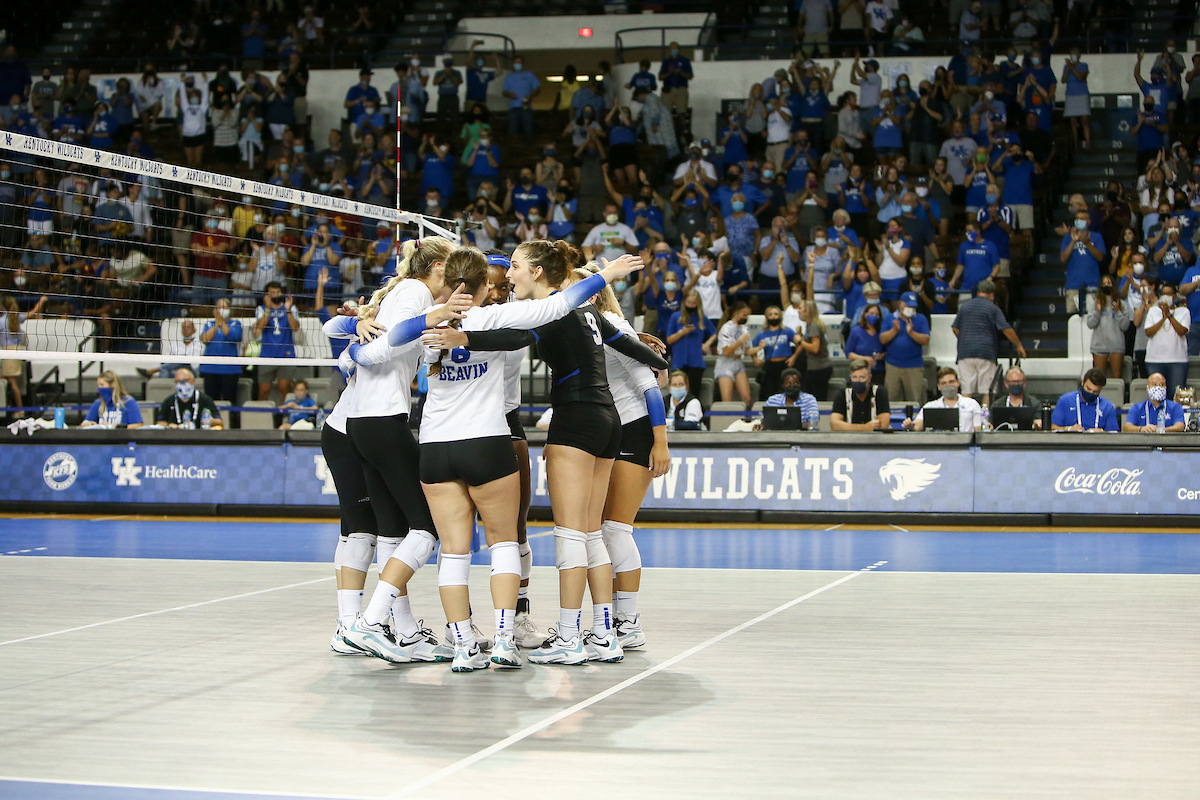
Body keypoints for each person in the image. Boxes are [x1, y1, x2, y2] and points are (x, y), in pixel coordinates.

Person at [493, 241, 665, 665]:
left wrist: (458, 333)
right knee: (592, 533)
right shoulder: (591, 313)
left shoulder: (550, 312)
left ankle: (569, 636)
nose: (509, 276)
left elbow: (504, 335)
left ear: (537, 273)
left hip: (576, 419)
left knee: (571, 534)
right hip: (609, 421)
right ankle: (604, 633)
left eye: (515, 267)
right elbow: (640, 355)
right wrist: (652, 353)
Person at [951, 279, 1026, 406]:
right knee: (988, 390)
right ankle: (985, 419)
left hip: (965, 352)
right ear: (992, 294)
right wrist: (1018, 344)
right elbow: (1005, 328)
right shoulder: (993, 308)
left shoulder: (965, 307)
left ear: (979, 292)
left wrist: (965, 339)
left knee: (967, 390)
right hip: (985, 351)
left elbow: (955, 328)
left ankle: (965, 419)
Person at [252, 282, 300, 403]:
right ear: (267, 295)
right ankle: (263, 418)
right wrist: (268, 309)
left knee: (284, 389)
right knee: (263, 391)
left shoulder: (291, 308)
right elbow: (259, 328)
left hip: (286, 354)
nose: (275, 295)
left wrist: (288, 310)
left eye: (278, 292)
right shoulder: (261, 309)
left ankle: (284, 417)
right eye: (272, 293)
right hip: (267, 354)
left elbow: (295, 327)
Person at [881, 291, 930, 403]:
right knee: (891, 399)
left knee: (915, 399)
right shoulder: (889, 318)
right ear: (900, 304)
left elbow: (926, 340)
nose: (911, 309)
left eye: (913, 306)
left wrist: (911, 332)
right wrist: (895, 330)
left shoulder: (921, 319)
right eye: (909, 306)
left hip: (914, 365)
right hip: (893, 365)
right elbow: (883, 339)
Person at [1144, 284, 1190, 398]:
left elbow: (1182, 331)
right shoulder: (1153, 311)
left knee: (1176, 397)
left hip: (1177, 361)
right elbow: (1149, 332)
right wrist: (1164, 317)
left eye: (1169, 294)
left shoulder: (1184, 311)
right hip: (1155, 360)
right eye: (1163, 294)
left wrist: (1169, 315)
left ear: (1175, 296)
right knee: (1157, 397)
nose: (1166, 296)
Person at [666, 290, 717, 393]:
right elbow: (669, 339)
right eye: (689, 303)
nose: (691, 305)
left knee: (694, 392)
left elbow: (714, 332)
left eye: (693, 303)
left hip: (696, 361)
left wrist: (707, 344)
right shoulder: (675, 317)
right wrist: (681, 333)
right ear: (684, 302)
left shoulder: (702, 319)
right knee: (678, 390)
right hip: (679, 361)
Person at [906, 367, 982, 431]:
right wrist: (911, 425)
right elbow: (918, 425)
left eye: (951, 382)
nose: (948, 385)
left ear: (958, 383)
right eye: (944, 383)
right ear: (939, 386)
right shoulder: (930, 406)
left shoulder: (972, 404)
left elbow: (978, 431)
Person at [199, 299, 243, 410]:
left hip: (230, 369)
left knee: (230, 401)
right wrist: (216, 324)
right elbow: (204, 339)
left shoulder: (236, 324)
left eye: (225, 307)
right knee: (210, 402)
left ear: (230, 310)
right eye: (219, 307)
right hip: (210, 369)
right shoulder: (209, 324)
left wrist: (221, 323)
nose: (221, 310)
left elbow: (234, 337)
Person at [750, 305, 799, 400]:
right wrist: (754, 359)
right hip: (769, 365)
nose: (773, 317)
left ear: (780, 316)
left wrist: (794, 357)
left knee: (786, 393)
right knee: (768, 393)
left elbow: (800, 344)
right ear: (766, 317)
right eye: (770, 314)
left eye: (776, 314)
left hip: (784, 364)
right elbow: (751, 349)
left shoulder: (787, 331)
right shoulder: (761, 333)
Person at [1086, 274, 1130, 380]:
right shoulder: (1095, 303)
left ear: (1113, 286)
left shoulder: (1122, 304)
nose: (1106, 286)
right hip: (1099, 345)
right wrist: (1098, 311)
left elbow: (1125, 326)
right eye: (1104, 284)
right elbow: (1090, 324)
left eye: (1109, 283)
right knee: (1099, 378)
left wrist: (1118, 312)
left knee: (1117, 377)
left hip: (1116, 345)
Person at [1050, 368, 1119, 432]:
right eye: (1088, 389)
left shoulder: (1107, 406)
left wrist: (1101, 432)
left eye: (1095, 392)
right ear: (1083, 382)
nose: (1091, 393)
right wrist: (1069, 429)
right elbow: (1052, 427)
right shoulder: (1065, 400)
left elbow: (1113, 433)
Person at [830, 359, 890, 431]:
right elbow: (834, 425)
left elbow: (884, 425)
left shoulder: (879, 392)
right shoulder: (843, 394)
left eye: (862, 377)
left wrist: (848, 427)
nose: (858, 381)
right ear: (850, 377)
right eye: (854, 377)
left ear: (869, 378)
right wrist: (865, 428)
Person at [715, 301, 753, 410]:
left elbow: (746, 351)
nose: (746, 318)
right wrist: (740, 340)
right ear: (736, 313)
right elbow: (726, 351)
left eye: (747, 315)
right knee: (727, 400)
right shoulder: (726, 328)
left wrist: (760, 347)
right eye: (744, 315)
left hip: (738, 361)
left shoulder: (744, 328)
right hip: (725, 363)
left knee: (747, 397)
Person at [844, 301, 885, 385]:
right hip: (860, 371)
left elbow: (887, 350)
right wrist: (865, 359)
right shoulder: (856, 331)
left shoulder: (881, 332)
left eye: (876, 314)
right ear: (865, 314)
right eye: (871, 313)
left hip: (879, 371)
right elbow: (848, 353)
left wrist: (882, 355)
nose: (874, 316)